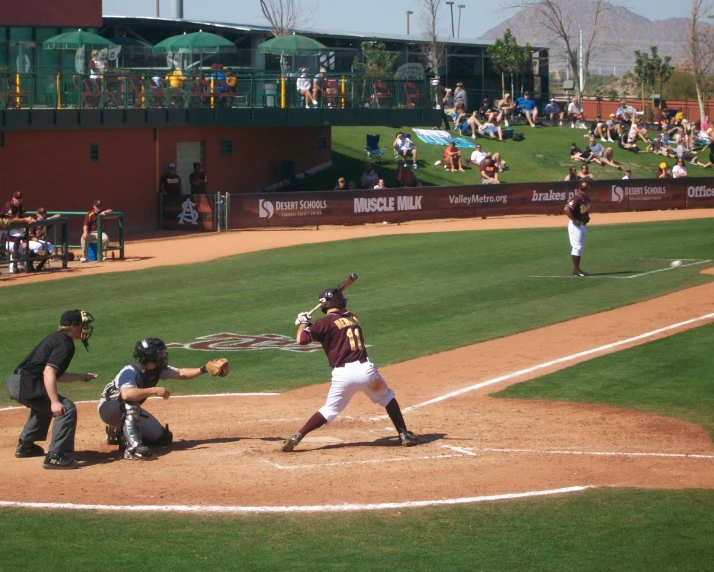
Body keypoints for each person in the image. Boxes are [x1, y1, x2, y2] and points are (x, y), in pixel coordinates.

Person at [282, 287, 419, 452]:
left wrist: (303, 322)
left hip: (343, 375)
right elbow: (334, 328)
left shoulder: (323, 323)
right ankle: (403, 433)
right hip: (366, 371)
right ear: (339, 301)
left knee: (328, 411)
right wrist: (308, 323)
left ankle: (299, 435)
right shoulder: (352, 317)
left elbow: (301, 339)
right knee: (388, 398)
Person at [98, 338, 228, 460]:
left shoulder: (156, 369)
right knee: (131, 402)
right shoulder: (130, 371)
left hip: (124, 410)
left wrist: (204, 369)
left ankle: (118, 432)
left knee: (162, 438)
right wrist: (154, 390)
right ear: (149, 356)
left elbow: (181, 373)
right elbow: (127, 394)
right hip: (109, 408)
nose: (163, 356)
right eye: (159, 354)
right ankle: (133, 449)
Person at [6, 310, 97, 470]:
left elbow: (57, 375)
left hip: (17, 382)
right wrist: (55, 402)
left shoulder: (57, 338)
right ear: (74, 326)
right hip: (26, 384)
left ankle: (26, 446)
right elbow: (49, 372)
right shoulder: (65, 344)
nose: (85, 328)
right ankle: (55, 456)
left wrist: (82, 376)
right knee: (65, 408)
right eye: (83, 325)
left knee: (44, 405)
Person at [2, 190, 34, 273]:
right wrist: (26, 220)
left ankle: (15, 254)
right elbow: (12, 220)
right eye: (17, 198)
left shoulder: (20, 206)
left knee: (19, 233)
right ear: (13, 198)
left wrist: (29, 219)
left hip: (6, 226)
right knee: (18, 233)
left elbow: (21, 217)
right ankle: (15, 254)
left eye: (20, 198)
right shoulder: (9, 205)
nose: (19, 200)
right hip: (1, 225)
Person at [564, 181, 591, 277]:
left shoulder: (587, 198)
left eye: (585, 189)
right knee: (577, 246)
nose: (584, 191)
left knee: (581, 246)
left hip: (582, 225)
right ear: (578, 189)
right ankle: (576, 270)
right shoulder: (576, 198)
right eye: (582, 189)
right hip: (576, 226)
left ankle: (577, 269)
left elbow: (585, 210)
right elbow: (567, 209)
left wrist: (587, 217)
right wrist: (574, 219)